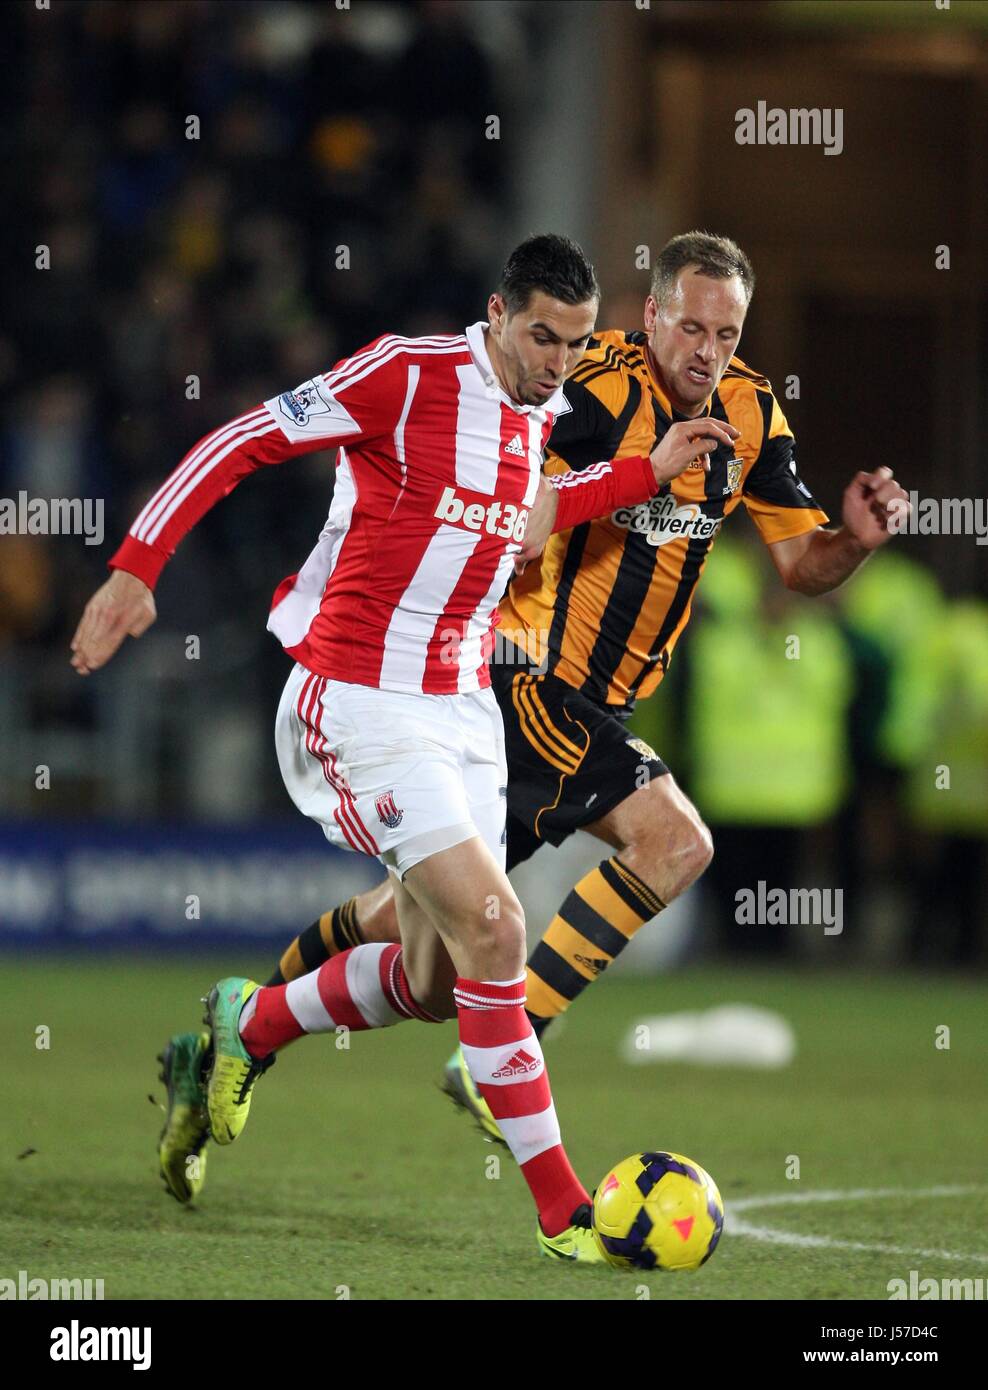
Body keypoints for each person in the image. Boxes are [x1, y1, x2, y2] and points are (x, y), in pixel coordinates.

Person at [71, 233, 737, 1260]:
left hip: (460, 707)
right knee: (496, 925)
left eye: (571, 342)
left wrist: (639, 474)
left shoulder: (538, 414)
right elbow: (240, 440)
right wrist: (135, 566)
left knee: (434, 981)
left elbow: (527, 523)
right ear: (498, 315)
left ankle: (244, 1025)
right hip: (359, 698)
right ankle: (566, 1215)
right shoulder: (406, 374)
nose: (559, 363)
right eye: (541, 339)